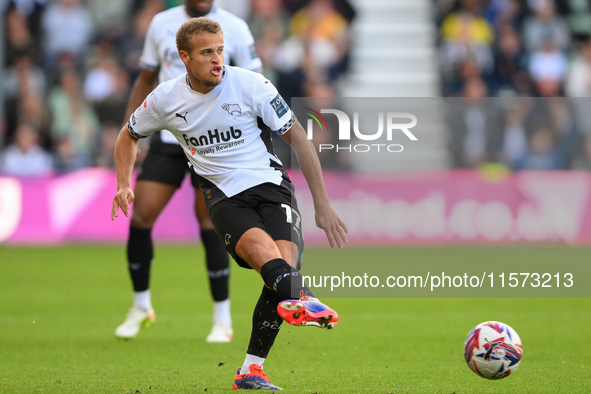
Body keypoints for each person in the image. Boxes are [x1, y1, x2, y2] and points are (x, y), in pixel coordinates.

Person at [112, 17, 347, 390]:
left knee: (281, 270)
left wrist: (322, 205)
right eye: (207, 53)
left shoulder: (251, 84)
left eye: (220, 50)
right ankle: (300, 295)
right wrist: (124, 183)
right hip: (223, 197)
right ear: (184, 57)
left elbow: (299, 137)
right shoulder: (166, 99)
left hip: (273, 187)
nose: (217, 59)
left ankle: (251, 370)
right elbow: (128, 135)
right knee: (265, 258)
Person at [115, 0, 263, 343]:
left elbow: (255, 82)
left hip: (212, 142)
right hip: (169, 138)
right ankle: (140, 307)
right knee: (140, 217)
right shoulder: (160, 24)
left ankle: (222, 318)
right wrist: (131, 127)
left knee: (209, 224)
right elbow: (147, 77)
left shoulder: (236, 27)